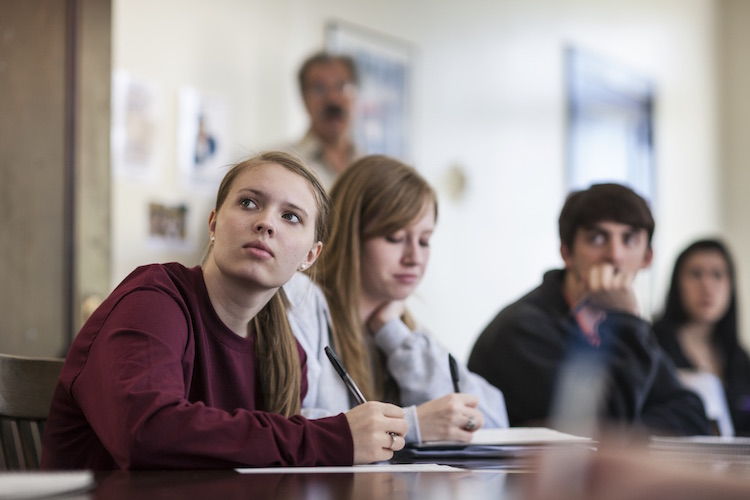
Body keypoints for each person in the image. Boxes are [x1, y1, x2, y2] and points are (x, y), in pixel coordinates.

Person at [41, 151, 408, 470]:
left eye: (291, 217)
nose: (265, 223)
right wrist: (333, 438)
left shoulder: (287, 355)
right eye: (249, 202)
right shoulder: (153, 299)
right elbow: (147, 433)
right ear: (214, 224)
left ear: (310, 257)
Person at [284, 155, 509, 444]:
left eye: (424, 240)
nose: (414, 258)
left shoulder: (398, 325)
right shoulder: (302, 298)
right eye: (394, 237)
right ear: (351, 236)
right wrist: (410, 424)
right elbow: (284, 423)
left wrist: (393, 333)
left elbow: (494, 419)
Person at [468, 183, 709, 436]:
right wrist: (628, 319)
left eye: (629, 239)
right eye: (597, 238)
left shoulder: (617, 324)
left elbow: (690, 412)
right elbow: (596, 433)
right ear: (566, 253)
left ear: (647, 257)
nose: (614, 255)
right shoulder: (522, 329)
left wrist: (624, 432)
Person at [653, 239, 750, 435]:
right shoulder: (653, 345)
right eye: (696, 274)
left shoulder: (739, 358)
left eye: (717, 275)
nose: (707, 285)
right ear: (677, 283)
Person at [281, 51, 362, 189]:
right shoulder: (282, 165)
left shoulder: (370, 168)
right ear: (304, 99)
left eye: (342, 87)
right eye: (319, 89)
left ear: (355, 95)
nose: (333, 99)